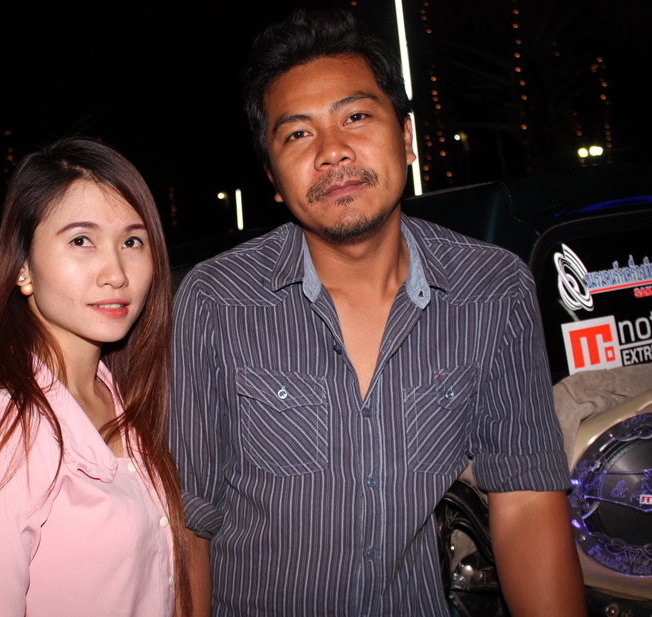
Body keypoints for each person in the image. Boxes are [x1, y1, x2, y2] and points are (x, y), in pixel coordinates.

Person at [169, 9, 586, 616]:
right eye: (297, 134)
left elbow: (525, 500)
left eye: (356, 117)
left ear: (407, 137)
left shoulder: (494, 291)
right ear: (273, 179)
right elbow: (186, 520)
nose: (332, 151)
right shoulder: (215, 301)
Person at [0, 137, 190, 616]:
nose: (116, 273)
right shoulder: (2, 423)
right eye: (81, 240)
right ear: (23, 267)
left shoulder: (119, 394)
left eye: (132, 241)